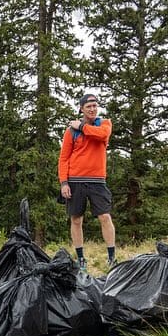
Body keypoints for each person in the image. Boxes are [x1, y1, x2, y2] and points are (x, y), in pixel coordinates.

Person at [58, 93, 115, 271]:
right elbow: (64, 158)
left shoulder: (104, 124)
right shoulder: (71, 132)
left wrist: (82, 127)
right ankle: (81, 258)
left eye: (95, 106)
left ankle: (112, 258)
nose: (92, 109)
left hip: (98, 181)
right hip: (75, 180)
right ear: (81, 108)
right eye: (88, 106)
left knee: (105, 217)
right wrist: (63, 182)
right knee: (76, 219)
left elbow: (102, 135)